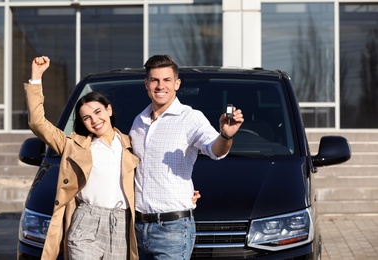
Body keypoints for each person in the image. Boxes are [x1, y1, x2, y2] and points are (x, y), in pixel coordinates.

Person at [129, 55, 244, 259]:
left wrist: (225, 135)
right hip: (136, 229)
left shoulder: (190, 118)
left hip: (172, 230)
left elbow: (215, 150)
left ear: (177, 84)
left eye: (166, 80)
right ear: (146, 84)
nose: (160, 86)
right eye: (154, 80)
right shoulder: (138, 121)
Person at [24, 56, 140, 260]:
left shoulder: (131, 144)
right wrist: (36, 77)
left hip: (121, 224)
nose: (95, 120)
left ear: (109, 110)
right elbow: (38, 123)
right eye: (87, 118)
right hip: (86, 223)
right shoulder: (73, 145)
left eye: (98, 112)